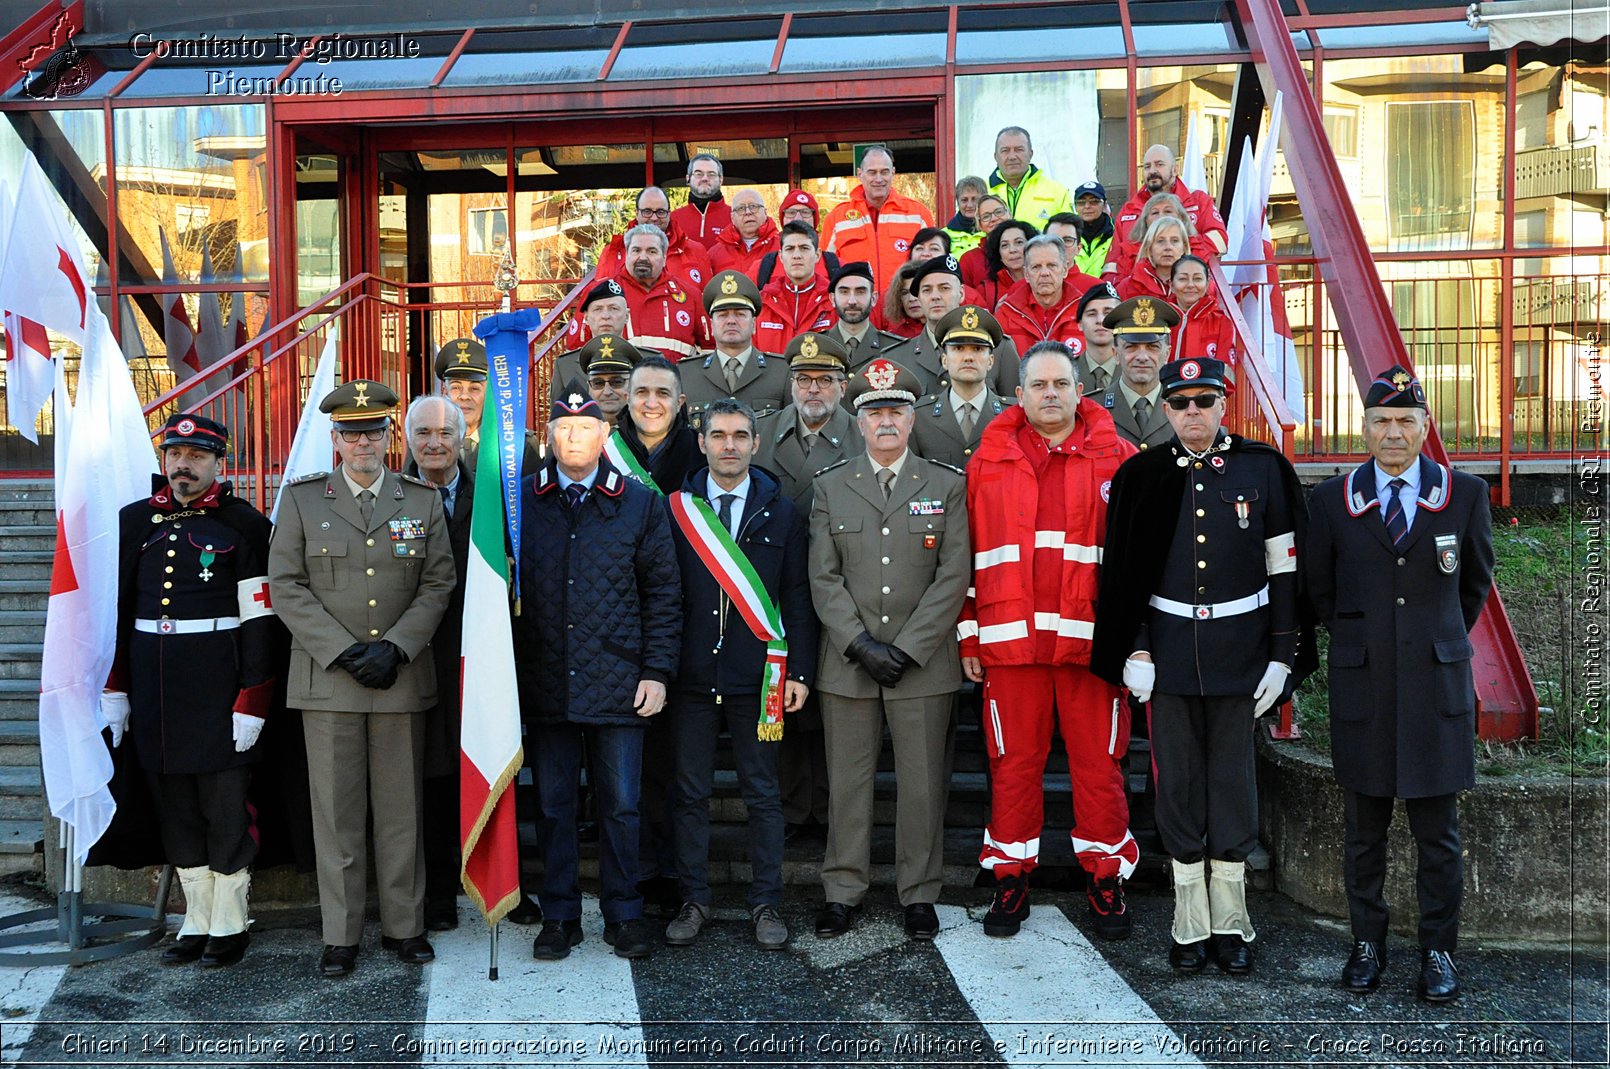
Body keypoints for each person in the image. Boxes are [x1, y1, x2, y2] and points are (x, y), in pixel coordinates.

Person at [1091, 354, 1310, 977]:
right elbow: (1124, 573)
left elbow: (1287, 570)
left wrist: (1281, 652)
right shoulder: (1142, 475)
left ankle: (1232, 919)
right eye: (1181, 404)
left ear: (1223, 405)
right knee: (1178, 783)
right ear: (1166, 410)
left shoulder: (1262, 468)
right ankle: (1190, 919)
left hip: (1242, 651)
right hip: (1170, 652)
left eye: (1205, 402)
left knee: (1234, 784)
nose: (1194, 413)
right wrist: (1134, 645)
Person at [1305, 365, 1494, 1005]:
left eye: (1405, 421)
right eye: (1381, 421)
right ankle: (1367, 944)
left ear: (1425, 427)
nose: (1393, 433)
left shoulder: (1464, 495)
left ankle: (1438, 951)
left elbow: (1471, 588)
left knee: (1438, 838)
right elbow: (1321, 593)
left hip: (1435, 693)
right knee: (1364, 834)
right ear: (1364, 428)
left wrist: (1429, 644)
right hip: (1365, 691)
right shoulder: (1331, 501)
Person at [268, 380, 454, 979]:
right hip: (329, 681)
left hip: (399, 678)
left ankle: (406, 926)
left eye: (373, 432)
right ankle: (340, 934)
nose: (363, 443)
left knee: (402, 813)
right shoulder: (301, 501)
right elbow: (287, 586)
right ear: (335, 441)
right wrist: (344, 650)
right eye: (351, 434)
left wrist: (396, 648)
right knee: (337, 815)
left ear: (386, 437)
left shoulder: (419, 500)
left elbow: (438, 584)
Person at [958, 342, 1137, 941]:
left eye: (1062, 383)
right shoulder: (986, 461)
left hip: (1092, 650)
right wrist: (969, 636)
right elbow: (967, 556)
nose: (1051, 394)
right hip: (1012, 649)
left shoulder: (1120, 459)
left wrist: (1134, 644)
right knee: (1012, 767)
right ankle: (1011, 878)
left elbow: (1138, 560)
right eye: (1040, 385)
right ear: (1020, 393)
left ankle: (1106, 880)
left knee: (1099, 768)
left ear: (1080, 390)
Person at [513, 385, 681, 962]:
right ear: (549, 436)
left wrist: (657, 671)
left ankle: (624, 912)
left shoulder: (639, 502)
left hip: (620, 679)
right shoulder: (521, 503)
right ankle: (558, 914)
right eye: (563, 429)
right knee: (555, 806)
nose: (574, 438)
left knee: (622, 806)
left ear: (606, 435)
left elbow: (663, 594)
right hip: (547, 677)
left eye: (586, 428)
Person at [808, 359, 970, 941]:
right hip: (849, 662)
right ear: (858, 420)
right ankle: (843, 889)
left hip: (921, 664)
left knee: (922, 785)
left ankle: (919, 892)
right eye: (874, 411)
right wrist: (858, 643)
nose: (885, 420)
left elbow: (954, 575)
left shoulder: (947, 485)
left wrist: (904, 648)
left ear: (913, 417)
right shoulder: (830, 485)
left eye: (896, 410)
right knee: (847, 783)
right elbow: (822, 578)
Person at [105, 414, 274, 969]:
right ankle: (196, 918)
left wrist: (252, 698)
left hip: (218, 688)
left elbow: (260, 619)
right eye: (175, 453)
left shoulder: (243, 525)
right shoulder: (136, 521)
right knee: (173, 804)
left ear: (218, 462)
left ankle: (230, 918)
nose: (183, 464)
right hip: (156, 689)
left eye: (197, 456)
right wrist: (117, 686)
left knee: (225, 805)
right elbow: (120, 613)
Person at [663, 398, 818, 949]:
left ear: (756, 444)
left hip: (760, 678)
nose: (729, 445)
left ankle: (766, 902)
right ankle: (693, 898)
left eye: (740, 436)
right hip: (690, 676)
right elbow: (662, 594)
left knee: (762, 792)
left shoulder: (783, 511)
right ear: (701, 442)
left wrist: (799, 669)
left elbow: (797, 597)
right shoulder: (675, 509)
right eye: (718, 435)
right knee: (688, 793)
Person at [754, 333, 863, 840]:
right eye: (803, 380)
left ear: (842, 387)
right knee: (788, 701)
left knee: (835, 706)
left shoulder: (865, 434)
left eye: (824, 380)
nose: (812, 389)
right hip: (775, 586)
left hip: (848, 583)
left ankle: (836, 808)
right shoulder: (762, 431)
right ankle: (797, 808)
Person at [400, 395, 490, 932]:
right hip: (413, 660)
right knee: (430, 780)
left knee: (487, 766)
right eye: (423, 432)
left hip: (479, 658)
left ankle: (497, 881)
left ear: (462, 439)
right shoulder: (389, 498)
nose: (435, 443)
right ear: (407, 440)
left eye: (445, 433)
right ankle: (436, 891)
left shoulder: (490, 502)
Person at [886, 254, 1021, 399]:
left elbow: (1015, 409)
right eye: (927, 290)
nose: (935, 296)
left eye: (944, 288)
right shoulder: (897, 358)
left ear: (961, 293)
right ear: (919, 298)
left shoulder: (1000, 349)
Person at [682, 269, 791, 430]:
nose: (731, 321)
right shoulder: (687, 374)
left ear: (754, 324)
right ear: (711, 325)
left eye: (740, 314)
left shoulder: (781, 373)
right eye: (723, 315)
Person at [821, 145, 936, 292]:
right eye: (872, 172)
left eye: (884, 172)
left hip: (904, 307)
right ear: (860, 174)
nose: (879, 179)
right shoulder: (837, 218)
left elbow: (933, 265)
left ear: (893, 173)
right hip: (856, 307)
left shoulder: (918, 214)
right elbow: (824, 270)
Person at [910, 305, 1008, 471]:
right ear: (944, 360)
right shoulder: (919, 417)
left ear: (990, 361)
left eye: (978, 349)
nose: (968, 357)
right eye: (958, 348)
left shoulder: (1010, 415)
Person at [1107, 145, 1227, 276]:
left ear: (1175, 170)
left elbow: (1220, 241)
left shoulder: (1198, 200)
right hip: (1139, 291)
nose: (1152, 171)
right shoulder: (1129, 210)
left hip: (1188, 286)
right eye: (1147, 166)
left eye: (1159, 164)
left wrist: (1177, 253)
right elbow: (1112, 263)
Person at [435, 337, 540, 473]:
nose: (465, 396)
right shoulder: (428, 441)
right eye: (456, 387)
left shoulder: (517, 445)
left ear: (490, 394)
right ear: (445, 392)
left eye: (474, 388)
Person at [613, 223, 714, 360]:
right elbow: (576, 353)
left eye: (651, 251)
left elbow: (709, 353)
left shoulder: (691, 296)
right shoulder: (603, 296)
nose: (643, 257)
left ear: (665, 257)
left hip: (677, 380)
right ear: (626, 254)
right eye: (636, 250)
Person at [994, 234, 1101, 355]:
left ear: (1064, 270)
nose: (1044, 273)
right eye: (1036, 267)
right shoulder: (1006, 314)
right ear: (1026, 274)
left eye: (1051, 266)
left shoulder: (1084, 313)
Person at [1098, 295, 1181, 450]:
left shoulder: (1184, 408)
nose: (1142, 357)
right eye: (1131, 347)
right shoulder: (1093, 408)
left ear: (1167, 354)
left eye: (1152, 347)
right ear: (1115, 353)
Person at [612, 355, 703, 494]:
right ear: (628, 399)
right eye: (642, 392)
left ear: (679, 402)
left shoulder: (701, 453)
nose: (652, 404)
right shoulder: (603, 451)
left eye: (663, 393)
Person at [596, 186, 713, 287]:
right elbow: (597, 298)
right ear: (636, 213)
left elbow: (707, 301)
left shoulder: (695, 251)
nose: (654, 218)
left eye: (661, 212)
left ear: (669, 213)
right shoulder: (613, 253)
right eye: (647, 211)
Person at [755, 222, 836, 353]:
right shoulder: (763, 302)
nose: (796, 255)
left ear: (817, 255)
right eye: (790, 249)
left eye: (804, 248)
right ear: (781, 256)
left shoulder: (834, 301)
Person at [1106, 192, 1220, 282]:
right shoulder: (1129, 254)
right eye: (1155, 213)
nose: (1161, 216)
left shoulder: (1197, 248)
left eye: (1168, 211)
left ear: (1181, 217)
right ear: (1145, 220)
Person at [824, 261, 904, 373]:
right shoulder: (819, 346)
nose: (852, 301)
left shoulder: (896, 349)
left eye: (860, 292)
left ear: (874, 298)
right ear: (832, 299)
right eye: (844, 292)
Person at [987, 126, 1073, 227]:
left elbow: (1069, 235)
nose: (1012, 157)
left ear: (1031, 154)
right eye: (1005, 150)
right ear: (996, 156)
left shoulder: (1058, 193)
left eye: (1019, 149)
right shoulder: (981, 192)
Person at [755, 189, 842, 287]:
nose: (798, 218)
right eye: (791, 212)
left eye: (805, 212)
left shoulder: (835, 265)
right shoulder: (762, 268)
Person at [1171, 255, 1238, 367]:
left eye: (1197, 279)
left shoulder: (1222, 322)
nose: (1190, 285)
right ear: (1171, 285)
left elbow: (1226, 373)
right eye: (1182, 279)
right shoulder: (1161, 319)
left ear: (1207, 284)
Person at [708, 187, 778, 279]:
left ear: (765, 212)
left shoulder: (782, 248)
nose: (748, 212)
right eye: (741, 208)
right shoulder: (714, 254)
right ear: (732, 217)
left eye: (753, 206)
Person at [557, 275, 635, 356]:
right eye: (598, 309)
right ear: (586, 318)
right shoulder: (566, 363)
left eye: (613, 309)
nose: (605, 316)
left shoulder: (641, 360)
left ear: (626, 316)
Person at [1118, 216, 1192, 301]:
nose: (1168, 247)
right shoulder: (1127, 286)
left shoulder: (1199, 284)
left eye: (1174, 241)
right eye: (1160, 241)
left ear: (1184, 247)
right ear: (1149, 248)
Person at [669, 153, 732, 250]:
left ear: (721, 179)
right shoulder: (672, 220)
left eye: (711, 174)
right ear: (688, 178)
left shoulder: (736, 218)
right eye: (699, 174)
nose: (705, 178)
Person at [577, 332, 642, 425]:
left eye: (617, 382)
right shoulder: (576, 433)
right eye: (598, 383)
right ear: (589, 388)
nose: (607, 392)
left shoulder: (648, 432)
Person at [1073, 281, 1123, 396]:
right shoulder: (1066, 371)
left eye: (1108, 313)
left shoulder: (1134, 370)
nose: (1100, 320)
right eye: (1091, 314)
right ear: (1079, 324)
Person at [976, 218, 1039, 310]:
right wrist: (996, 316)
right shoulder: (985, 291)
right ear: (999, 254)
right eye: (1005, 245)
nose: (1012, 250)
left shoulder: (1046, 281)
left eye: (1019, 242)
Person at [959, 195, 1009, 293]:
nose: (994, 218)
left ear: (1009, 215)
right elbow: (964, 299)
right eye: (986, 216)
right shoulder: (969, 260)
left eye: (999, 212)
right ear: (980, 225)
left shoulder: (1026, 250)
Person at [1069, 181, 1116, 277]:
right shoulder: (1067, 236)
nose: (1087, 206)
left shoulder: (1117, 233)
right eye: (1081, 202)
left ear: (1105, 204)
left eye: (1094, 201)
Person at [871, 260, 925, 340]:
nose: (911, 299)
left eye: (917, 291)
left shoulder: (948, 332)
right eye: (904, 293)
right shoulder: (893, 339)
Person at [942, 175, 989, 255]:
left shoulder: (992, 231)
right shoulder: (944, 235)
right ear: (958, 203)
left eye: (975, 199)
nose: (970, 205)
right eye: (964, 200)